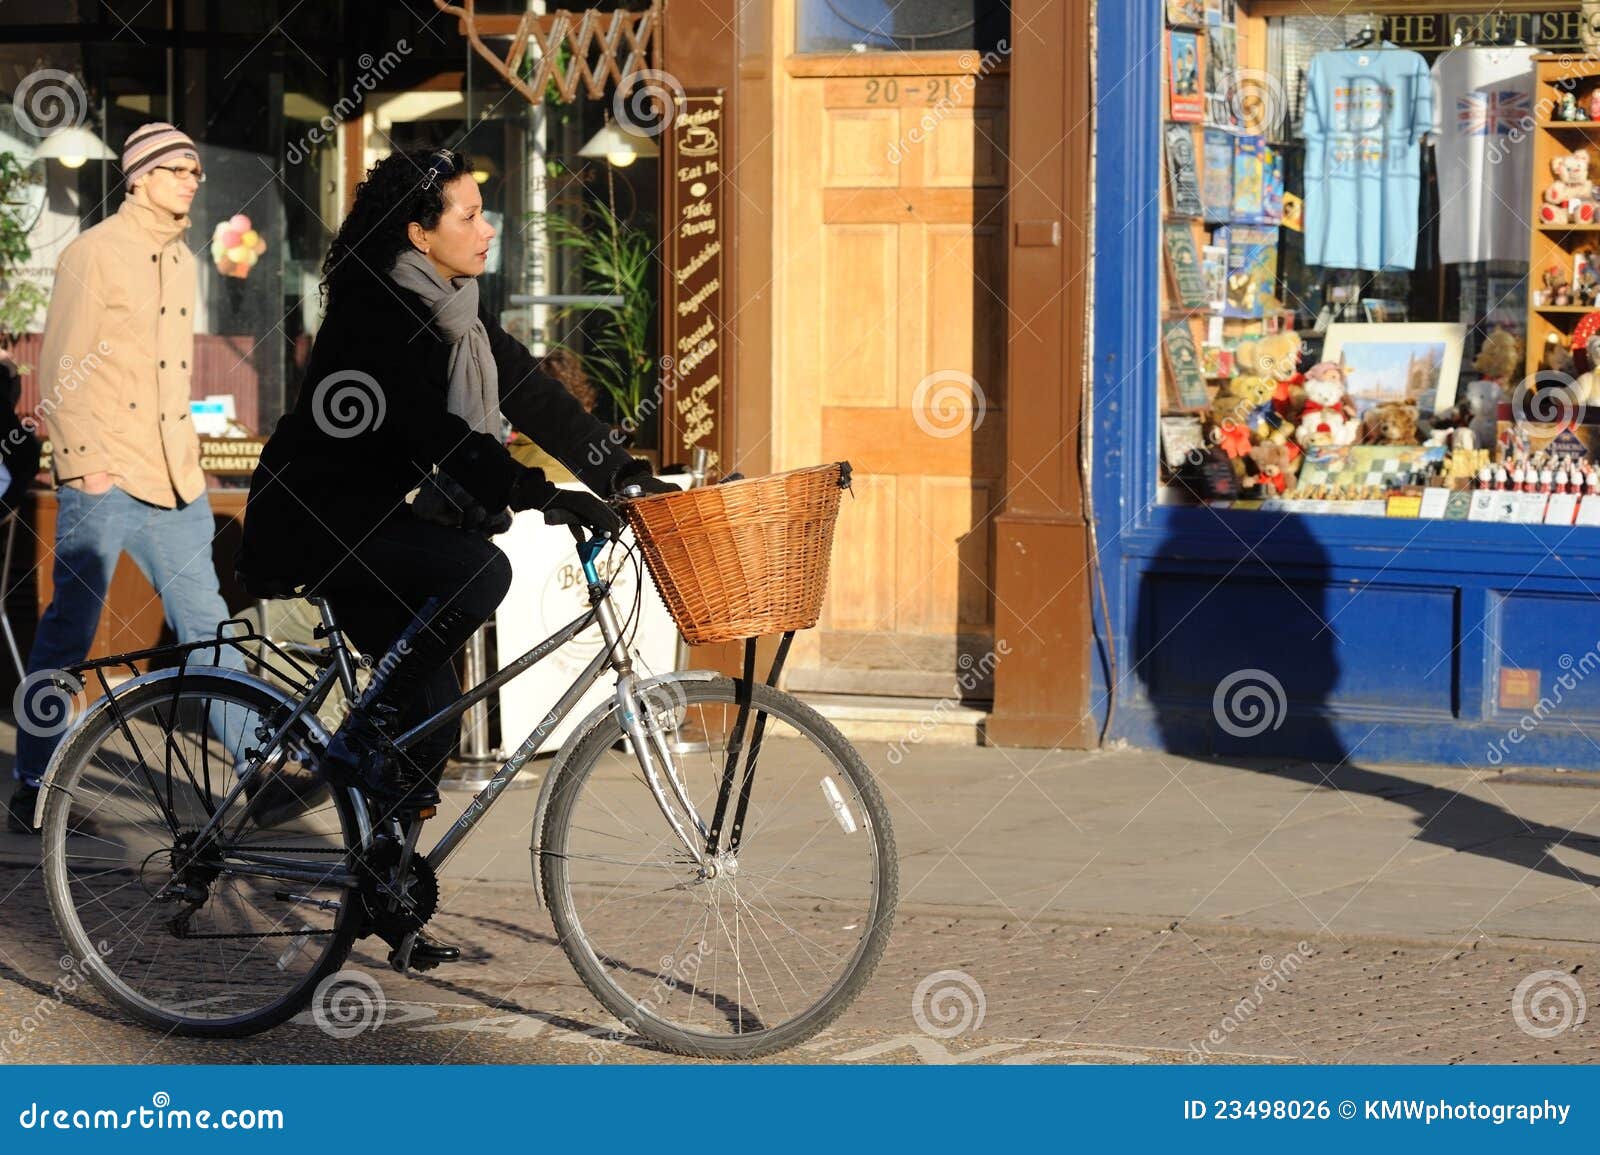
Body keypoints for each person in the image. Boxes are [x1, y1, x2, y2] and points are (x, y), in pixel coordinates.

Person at [235, 147, 673, 967]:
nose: (486, 228)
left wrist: (617, 471)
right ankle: (355, 743)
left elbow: (531, 391)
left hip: (375, 523)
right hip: (318, 521)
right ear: (419, 232)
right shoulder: (378, 310)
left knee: (432, 714)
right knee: (480, 572)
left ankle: (389, 899)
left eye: (484, 210)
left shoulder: (456, 310)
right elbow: (430, 432)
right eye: (468, 215)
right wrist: (538, 495)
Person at [7, 123, 244, 835]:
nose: (192, 179)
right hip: (105, 476)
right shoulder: (94, 252)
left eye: (197, 170)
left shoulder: (182, 261)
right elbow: (59, 369)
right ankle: (34, 785)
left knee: (209, 628)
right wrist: (88, 465)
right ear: (139, 176)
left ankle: (257, 769)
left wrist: (192, 468)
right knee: (69, 635)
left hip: (174, 480)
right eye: (178, 168)